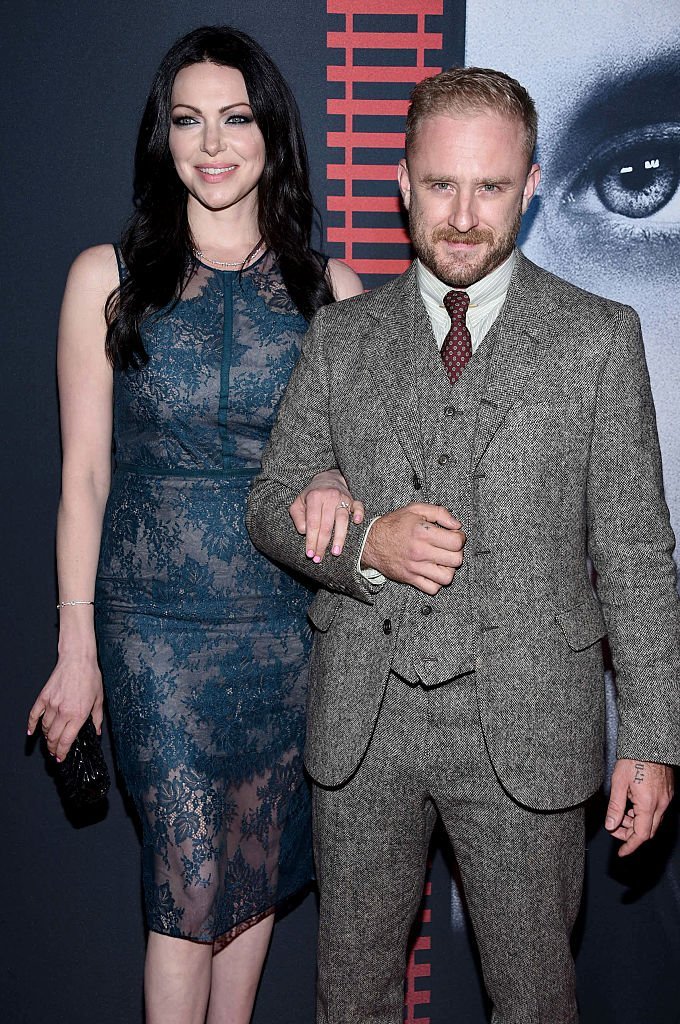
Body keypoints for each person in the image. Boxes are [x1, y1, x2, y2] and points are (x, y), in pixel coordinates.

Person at [246, 67, 680, 1023]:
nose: (462, 215)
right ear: (401, 181)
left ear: (529, 184)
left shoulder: (599, 339)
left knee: (534, 1002)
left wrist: (652, 736)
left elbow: (640, 555)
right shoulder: (341, 337)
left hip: (531, 724)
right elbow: (270, 503)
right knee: (350, 1001)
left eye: (489, 187)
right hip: (364, 724)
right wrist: (364, 543)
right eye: (441, 184)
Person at [26, 25, 362, 1024]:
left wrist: (339, 469)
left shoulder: (331, 291)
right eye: (187, 120)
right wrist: (74, 648)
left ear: (271, 135)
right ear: (161, 137)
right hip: (151, 632)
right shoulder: (106, 276)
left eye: (235, 118)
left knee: (248, 878)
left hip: (281, 632)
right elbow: (83, 475)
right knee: (185, 879)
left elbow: (360, 457)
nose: (211, 143)